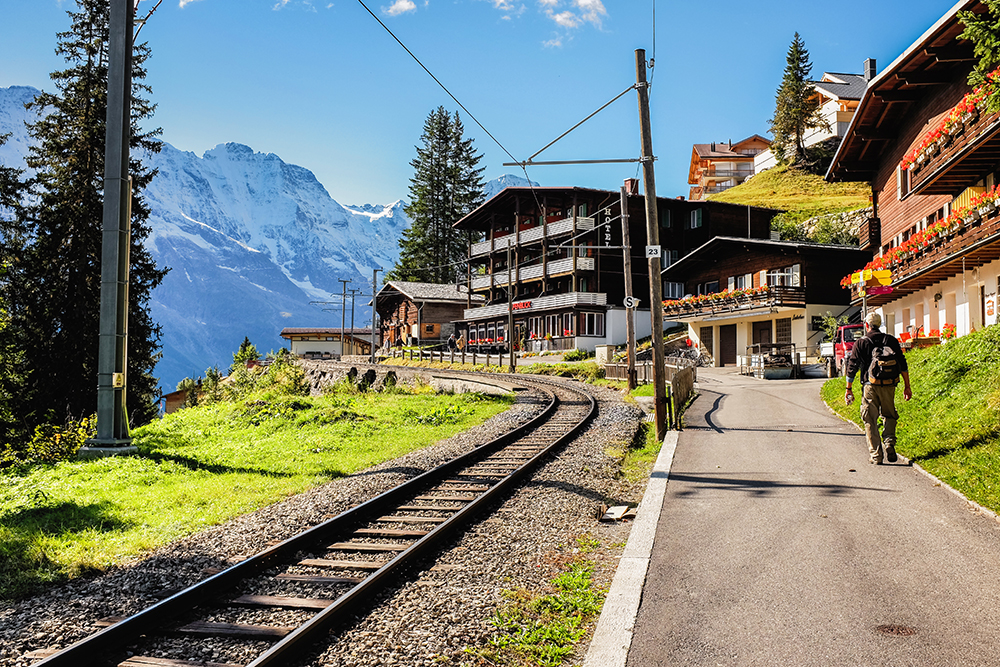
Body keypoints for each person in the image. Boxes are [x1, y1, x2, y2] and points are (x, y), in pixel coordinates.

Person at [844, 311, 913, 464]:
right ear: (880, 324)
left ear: (867, 325)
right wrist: (907, 386)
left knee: (870, 419)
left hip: (870, 386)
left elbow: (852, 367)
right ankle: (889, 442)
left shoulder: (861, 342)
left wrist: (848, 389)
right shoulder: (891, 340)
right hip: (889, 385)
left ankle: (876, 455)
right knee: (889, 415)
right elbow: (903, 364)